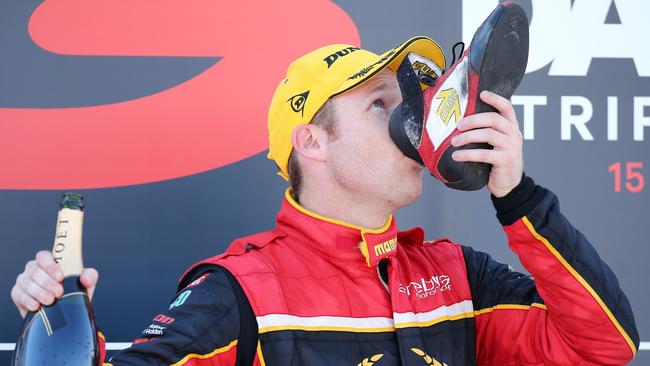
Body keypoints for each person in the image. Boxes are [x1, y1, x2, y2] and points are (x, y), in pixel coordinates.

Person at [11, 33, 639, 366]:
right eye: (380, 106)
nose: (413, 123)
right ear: (312, 141)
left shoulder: (457, 277)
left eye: (409, 103)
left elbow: (603, 346)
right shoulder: (241, 291)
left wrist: (519, 198)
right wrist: (60, 324)